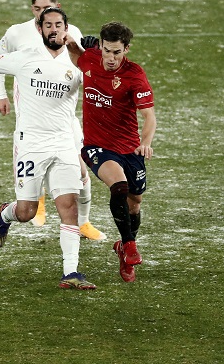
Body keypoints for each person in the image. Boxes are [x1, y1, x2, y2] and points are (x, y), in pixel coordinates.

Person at [0, 7, 96, 290]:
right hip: (31, 144)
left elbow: (101, 81)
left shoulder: (78, 62)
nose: (54, 29)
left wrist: (88, 53)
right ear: (40, 29)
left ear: (66, 28)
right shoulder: (26, 57)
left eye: (59, 25)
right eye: (48, 25)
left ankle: (71, 272)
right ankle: (6, 212)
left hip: (64, 142)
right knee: (27, 212)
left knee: (68, 207)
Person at [0, 0, 105, 241]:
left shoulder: (70, 32)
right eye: (37, 9)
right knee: (37, 179)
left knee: (81, 170)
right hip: (32, 119)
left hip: (65, 118)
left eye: (47, 8)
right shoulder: (17, 33)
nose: (42, 14)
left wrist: (91, 53)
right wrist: (1, 94)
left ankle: (83, 223)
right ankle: (32, 205)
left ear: (58, 7)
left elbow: (83, 67)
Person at [58, 22, 157, 283]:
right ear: (100, 46)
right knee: (120, 187)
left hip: (130, 148)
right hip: (96, 146)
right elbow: (78, 56)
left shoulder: (135, 75)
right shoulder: (90, 59)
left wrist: (145, 142)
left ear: (126, 49)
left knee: (135, 203)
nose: (111, 58)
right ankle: (130, 245)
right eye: (106, 51)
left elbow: (149, 116)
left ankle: (123, 249)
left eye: (117, 52)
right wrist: (69, 42)